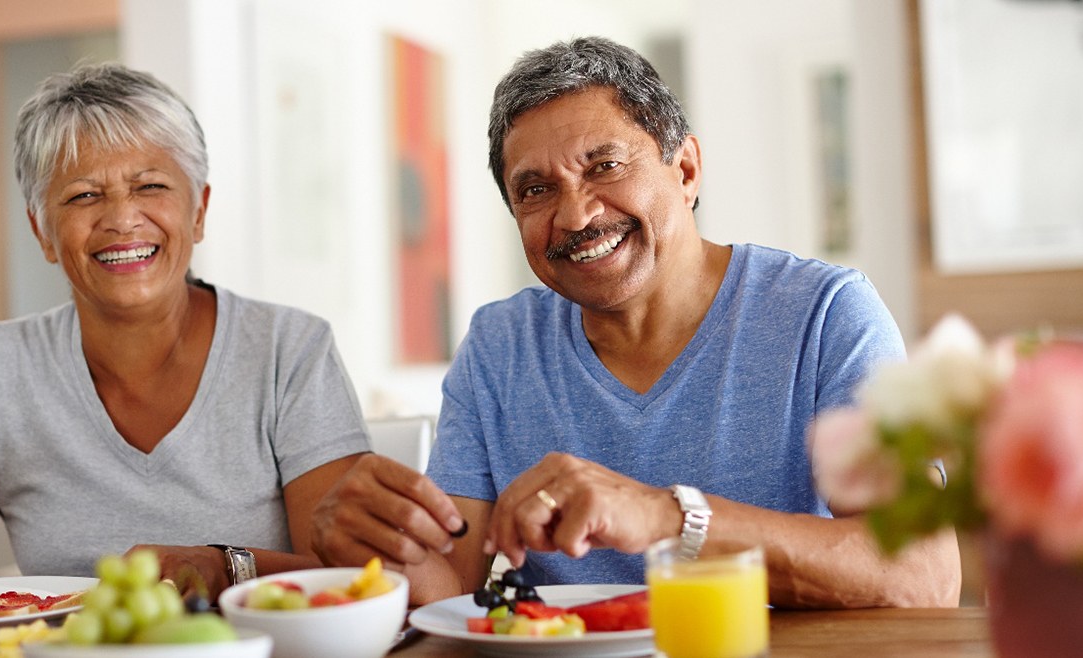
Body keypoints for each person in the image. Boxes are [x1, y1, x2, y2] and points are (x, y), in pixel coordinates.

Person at [311, 36, 961, 608]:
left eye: (604, 166)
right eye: (535, 190)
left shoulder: (826, 315)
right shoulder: (500, 345)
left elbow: (922, 574)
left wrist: (666, 517)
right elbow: (450, 588)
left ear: (685, 170)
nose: (574, 216)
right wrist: (374, 545)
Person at [0, 63, 370, 598]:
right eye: (84, 195)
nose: (121, 218)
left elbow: (353, 581)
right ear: (42, 229)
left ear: (198, 211)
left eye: (151, 185)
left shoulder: (289, 351)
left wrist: (223, 567)